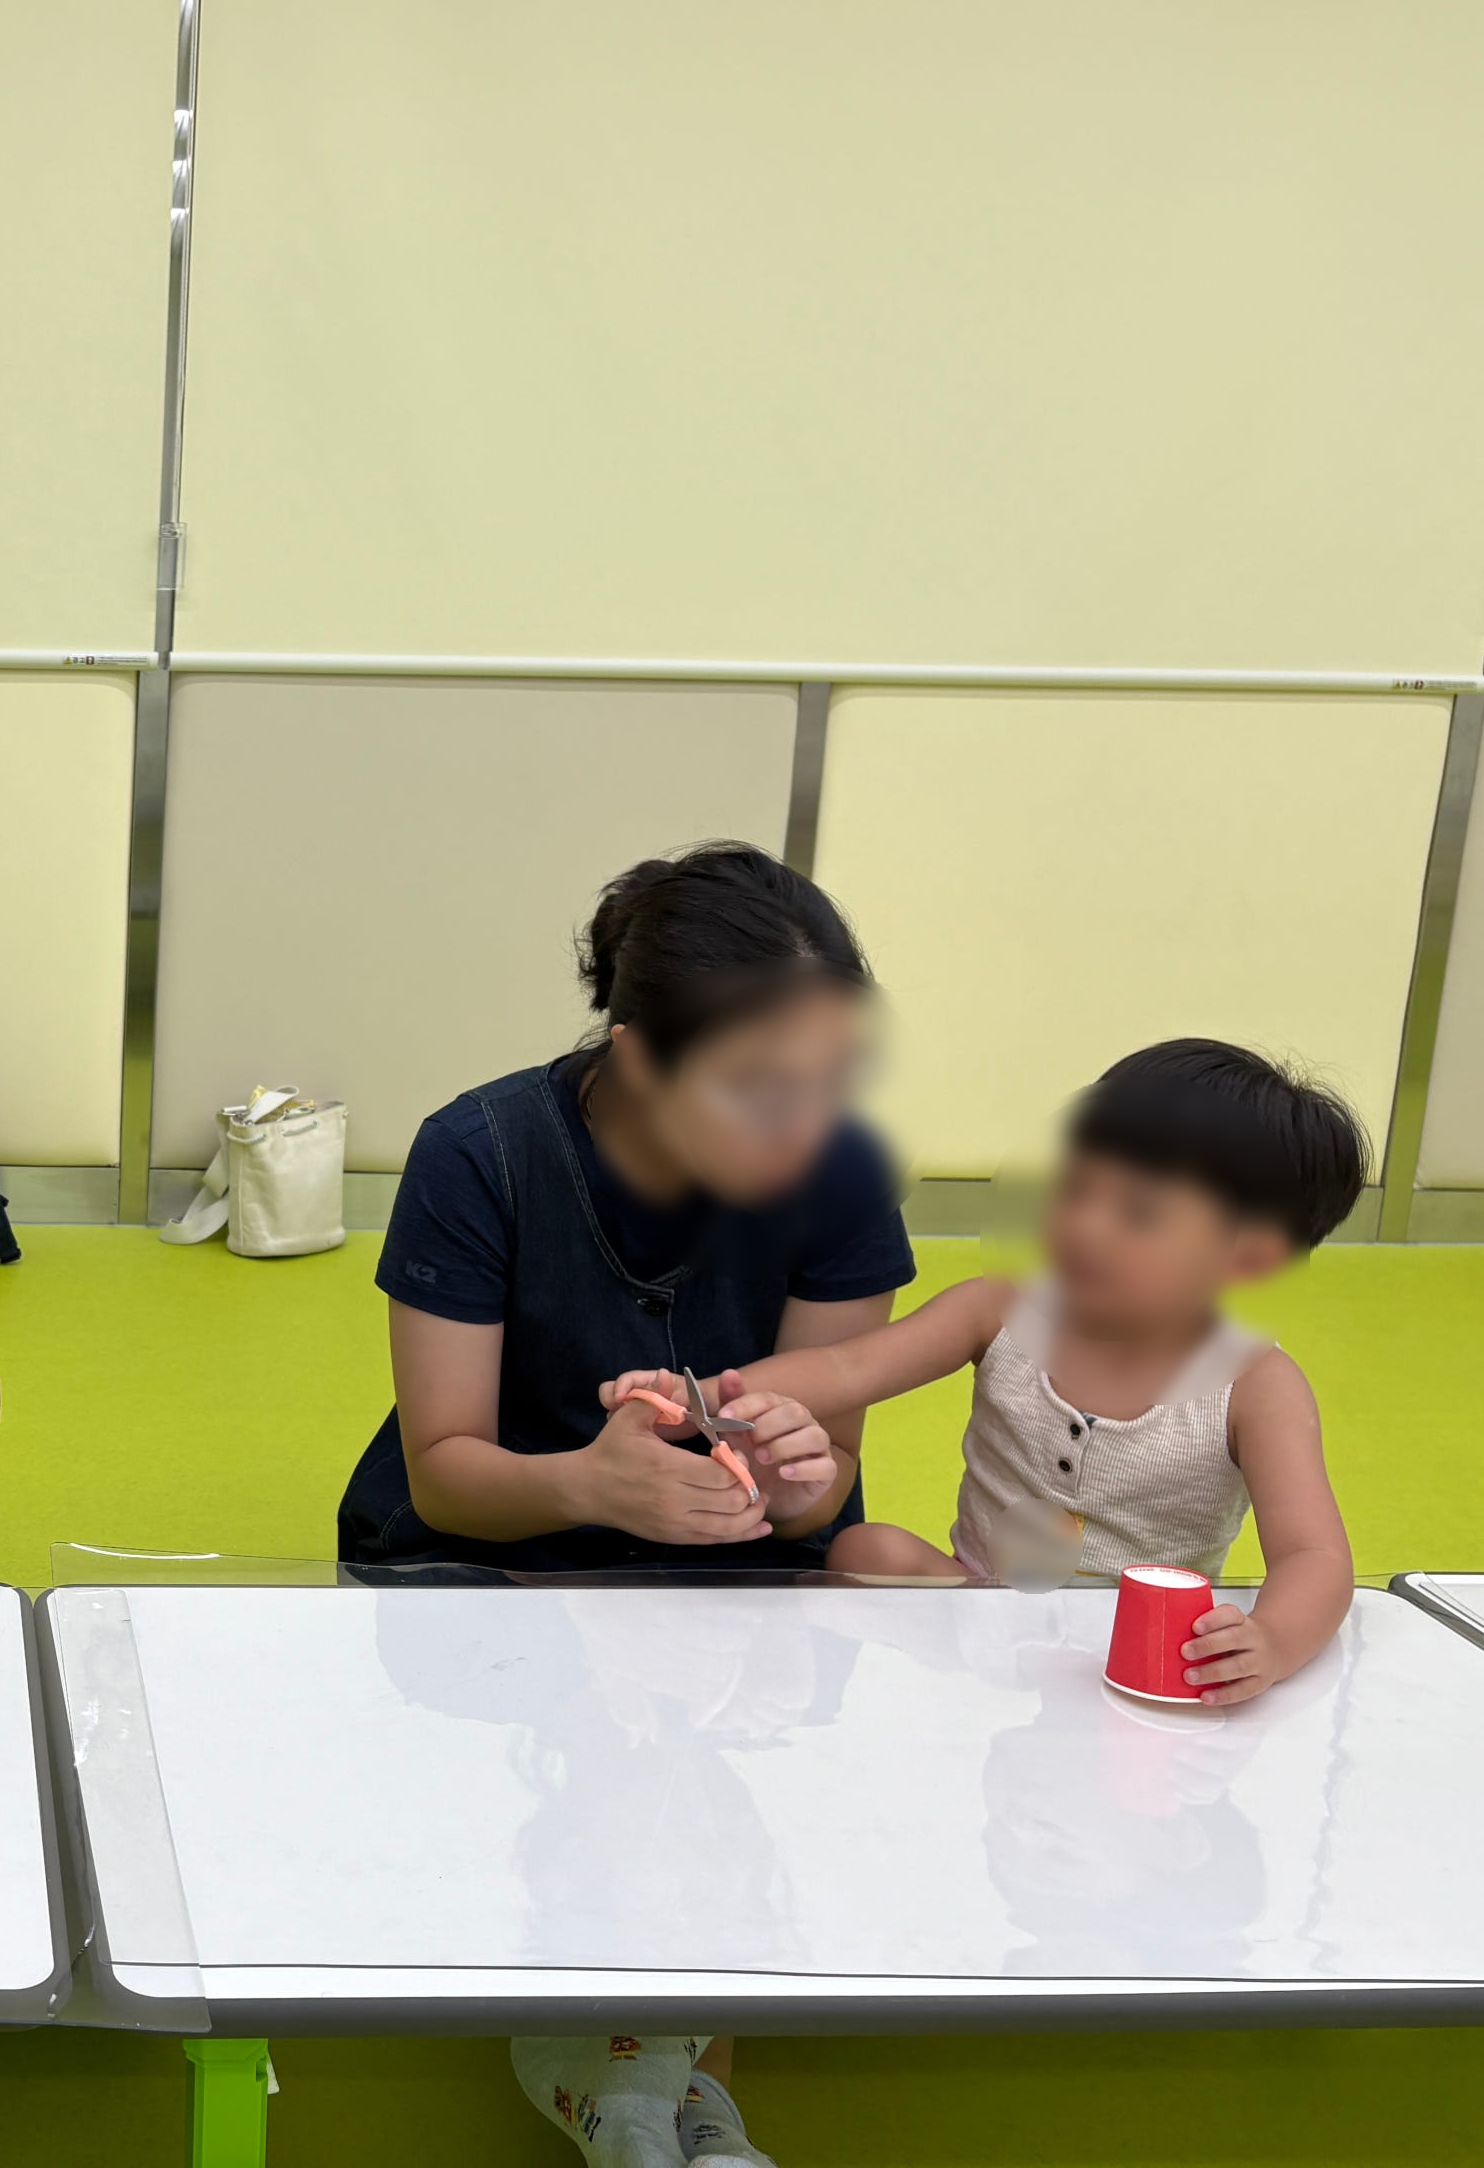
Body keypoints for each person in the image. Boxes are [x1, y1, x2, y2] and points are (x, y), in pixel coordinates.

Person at [334, 841, 919, 2168]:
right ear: (639, 1057)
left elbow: (817, 1480)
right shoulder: (484, 1152)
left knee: (746, 1739)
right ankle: (657, 2094)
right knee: (597, 1741)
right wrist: (591, 1483)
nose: (803, 1125)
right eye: (757, 1089)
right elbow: (446, 1470)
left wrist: (795, 1478)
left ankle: (649, 2099)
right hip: (490, 1558)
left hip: (735, 1580)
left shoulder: (837, 1172)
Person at [607, 1038, 1363, 1704]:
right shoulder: (1000, 1310)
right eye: (1076, 1188)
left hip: (1131, 1645)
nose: (1084, 1225)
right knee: (865, 1549)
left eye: (1137, 1213)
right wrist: (700, 1397)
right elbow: (845, 1367)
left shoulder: (1254, 1386)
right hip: (974, 1602)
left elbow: (1314, 1555)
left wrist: (1272, 1641)